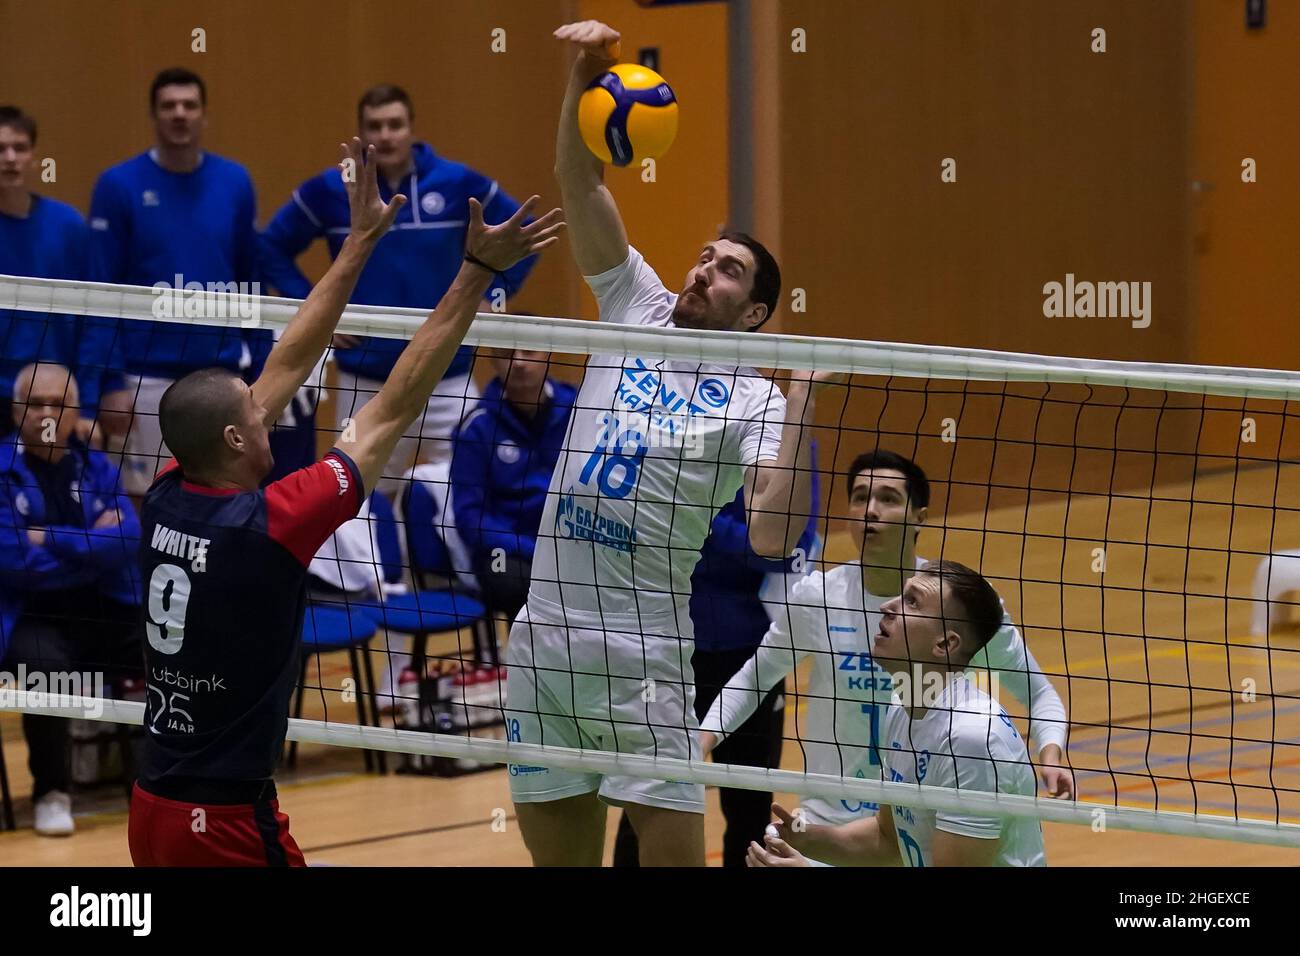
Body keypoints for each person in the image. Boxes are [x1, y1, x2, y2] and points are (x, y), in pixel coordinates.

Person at [126, 136, 562, 867]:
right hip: (225, 820)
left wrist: (357, 244)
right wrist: (476, 274)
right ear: (236, 438)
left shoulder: (169, 492)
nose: (274, 415)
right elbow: (393, 409)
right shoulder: (274, 521)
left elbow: (287, 360)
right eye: (258, 418)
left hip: (153, 808)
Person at [505, 19, 838, 868]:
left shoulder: (758, 399)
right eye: (704, 256)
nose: (703, 270)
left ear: (756, 313)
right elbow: (575, 176)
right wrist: (583, 77)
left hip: (642, 651)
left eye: (728, 270)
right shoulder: (636, 304)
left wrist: (801, 402)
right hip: (543, 634)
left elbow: (768, 537)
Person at [700, 450, 1070, 854]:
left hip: (918, 821)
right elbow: (755, 676)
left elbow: (1039, 693)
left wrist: (1050, 751)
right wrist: (704, 738)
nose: (870, 510)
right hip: (835, 822)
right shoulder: (817, 597)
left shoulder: (958, 609)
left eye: (888, 498)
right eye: (859, 497)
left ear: (919, 517)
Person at [260, 84, 538, 494]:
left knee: (466, 499)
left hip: (449, 379)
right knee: (356, 503)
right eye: (375, 126)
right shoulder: (330, 189)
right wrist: (314, 312)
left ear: (411, 129)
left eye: (395, 125)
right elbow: (269, 247)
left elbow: (524, 234)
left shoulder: (458, 182)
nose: (385, 135)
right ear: (361, 131)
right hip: (364, 382)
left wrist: (492, 296)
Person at [747, 560, 1048, 867]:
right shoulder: (902, 709)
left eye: (912, 602)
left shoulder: (971, 741)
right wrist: (810, 841)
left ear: (944, 643)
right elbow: (888, 841)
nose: (888, 606)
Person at [612, 472, 820, 868]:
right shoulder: (684, 433)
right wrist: (753, 539)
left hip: (753, 650)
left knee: (750, 805)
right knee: (647, 791)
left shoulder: (789, 438)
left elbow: (794, 544)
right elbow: (653, 523)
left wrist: (704, 528)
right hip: (670, 652)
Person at [88, 68, 264, 495]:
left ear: (204, 115)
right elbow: (100, 290)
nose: (179, 114)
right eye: (169, 106)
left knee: (224, 498)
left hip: (221, 377)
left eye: (189, 105)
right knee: (147, 499)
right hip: (145, 379)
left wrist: (259, 368)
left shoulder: (235, 182)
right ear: (154, 115)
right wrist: (108, 384)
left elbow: (250, 281)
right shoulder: (117, 186)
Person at [0, 363, 141, 836]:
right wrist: (89, 544)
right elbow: (17, 563)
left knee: (167, 649)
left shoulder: (98, 466)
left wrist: (49, 538)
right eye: (34, 404)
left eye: (57, 404)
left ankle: (164, 784)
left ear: (75, 411)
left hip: (102, 605)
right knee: (43, 671)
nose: (45, 413)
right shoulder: (2, 471)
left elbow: (129, 539)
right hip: (31, 613)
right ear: (15, 412)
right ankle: (52, 792)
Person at [0, 106, 119, 439]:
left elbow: (97, 315)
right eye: (0, 149)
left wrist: (88, 405)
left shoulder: (67, 226)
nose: (10, 158)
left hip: (53, 401)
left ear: (33, 156)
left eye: (20, 148)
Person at [450, 348, 575, 619]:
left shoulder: (580, 410)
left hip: (571, 541)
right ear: (493, 360)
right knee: (515, 583)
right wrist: (531, 549)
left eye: (529, 352)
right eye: (507, 354)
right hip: (508, 552)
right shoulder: (476, 427)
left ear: (549, 356)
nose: (518, 362)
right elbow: (470, 517)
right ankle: (523, 660)